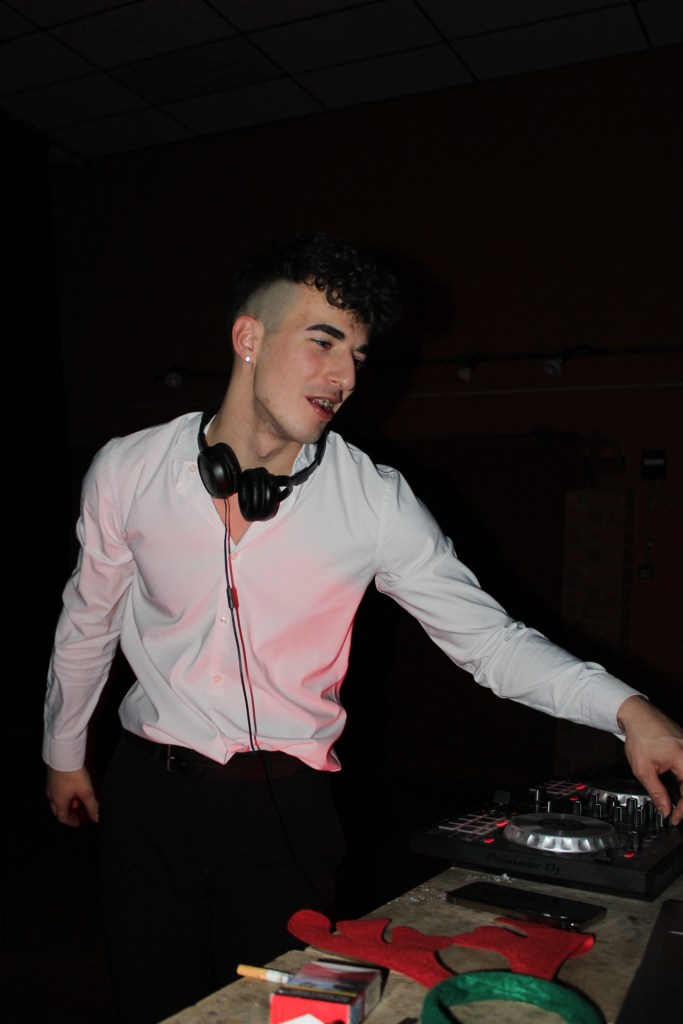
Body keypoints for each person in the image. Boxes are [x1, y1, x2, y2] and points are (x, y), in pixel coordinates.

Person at [44, 232, 682, 1024]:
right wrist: (64, 755)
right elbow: (88, 619)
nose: (344, 376)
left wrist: (629, 711)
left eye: (357, 354)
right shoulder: (127, 469)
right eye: (322, 342)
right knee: (151, 1005)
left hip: (285, 811)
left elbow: (489, 643)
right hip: (148, 796)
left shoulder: (374, 503)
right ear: (248, 337)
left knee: (282, 1016)